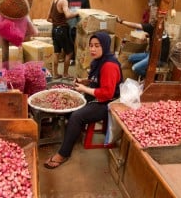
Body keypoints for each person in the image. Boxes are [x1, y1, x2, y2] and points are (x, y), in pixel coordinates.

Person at [44, 31, 123, 169]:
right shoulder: (99, 61)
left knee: (76, 116)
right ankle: (72, 134)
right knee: (69, 103)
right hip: (97, 97)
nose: (92, 49)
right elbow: (96, 80)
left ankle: (63, 154)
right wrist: (83, 81)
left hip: (108, 104)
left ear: (105, 46)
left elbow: (107, 94)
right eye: (91, 45)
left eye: (97, 46)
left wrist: (84, 89)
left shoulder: (109, 65)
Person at [47, 0, 79, 79]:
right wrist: (78, 13)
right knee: (69, 52)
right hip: (62, 31)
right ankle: (65, 74)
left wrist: (56, 22)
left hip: (54, 30)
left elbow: (48, 18)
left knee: (56, 53)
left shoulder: (54, 0)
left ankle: (55, 74)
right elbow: (68, 15)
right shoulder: (64, 1)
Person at [68, 0, 90, 66]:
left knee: (81, 42)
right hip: (71, 24)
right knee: (71, 42)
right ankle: (72, 58)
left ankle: (81, 59)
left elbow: (88, 12)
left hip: (81, 25)